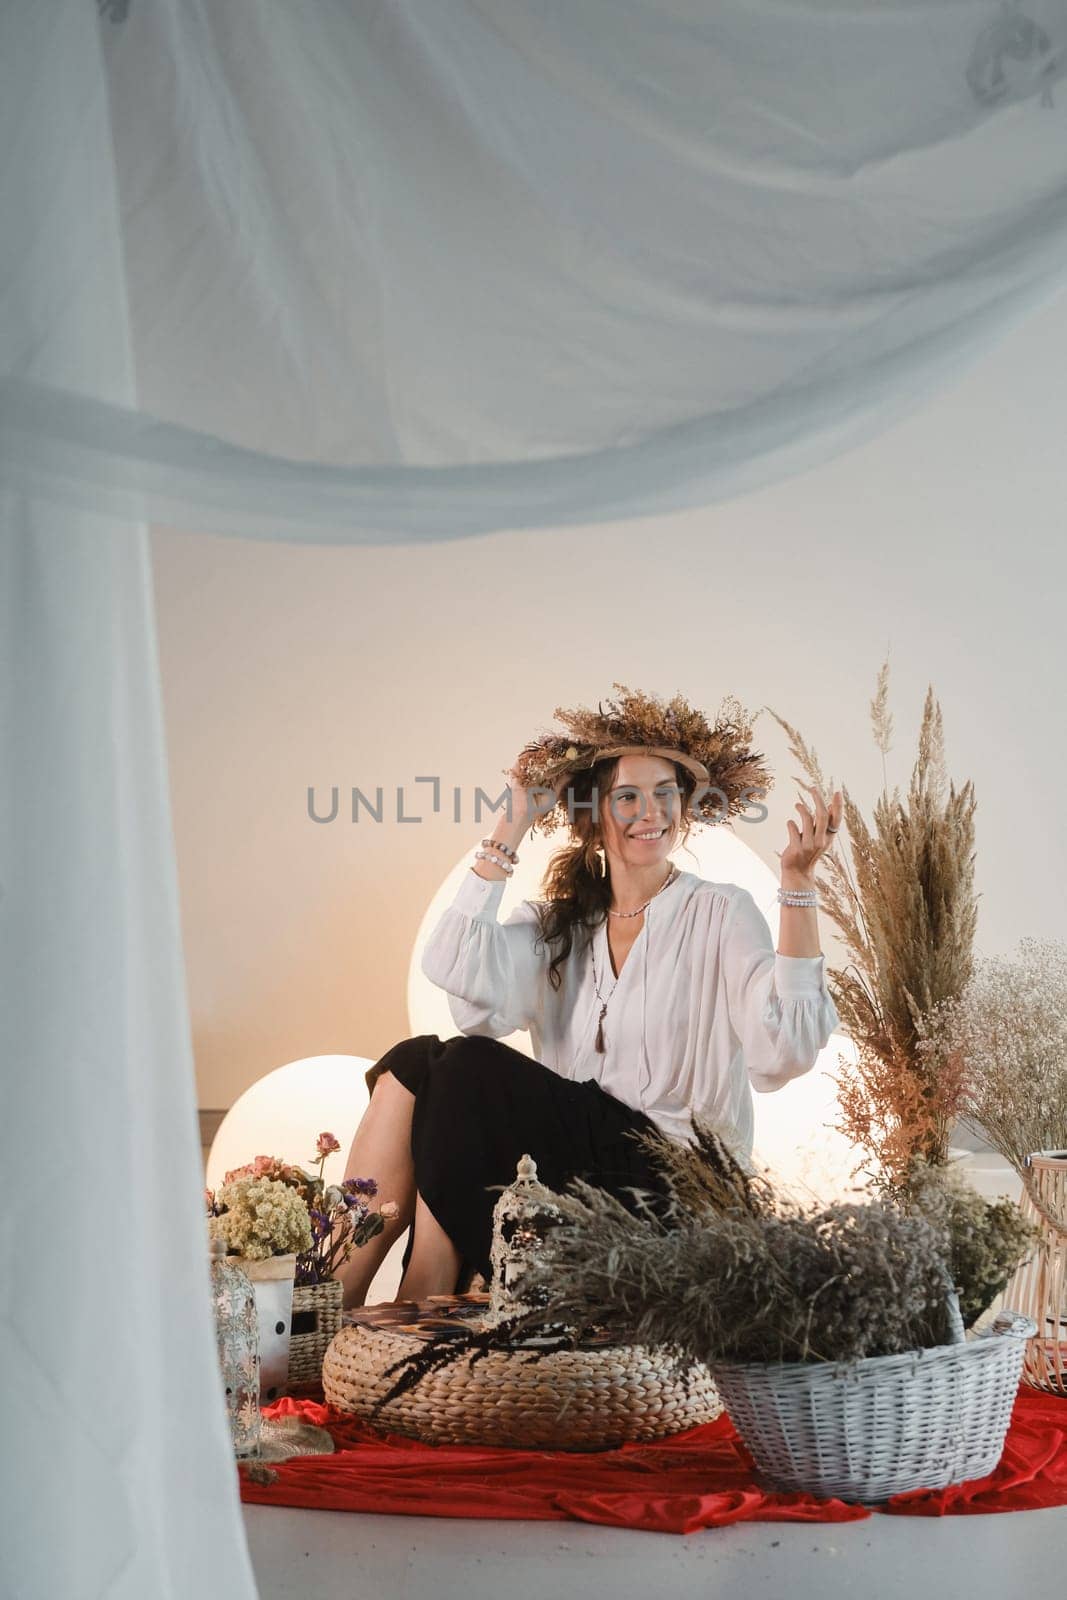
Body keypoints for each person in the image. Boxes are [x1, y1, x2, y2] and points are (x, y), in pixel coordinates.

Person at [336, 684, 842, 1310]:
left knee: (465, 1063)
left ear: (683, 809)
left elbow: (784, 1050)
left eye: (665, 795)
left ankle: (424, 1285)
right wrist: (512, 822)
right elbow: (454, 963)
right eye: (627, 796)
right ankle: (334, 1298)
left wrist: (797, 884)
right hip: (567, 1173)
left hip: (676, 1183)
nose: (649, 812)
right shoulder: (562, 924)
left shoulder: (719, 911)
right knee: (418, 1061)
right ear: (595, 814)